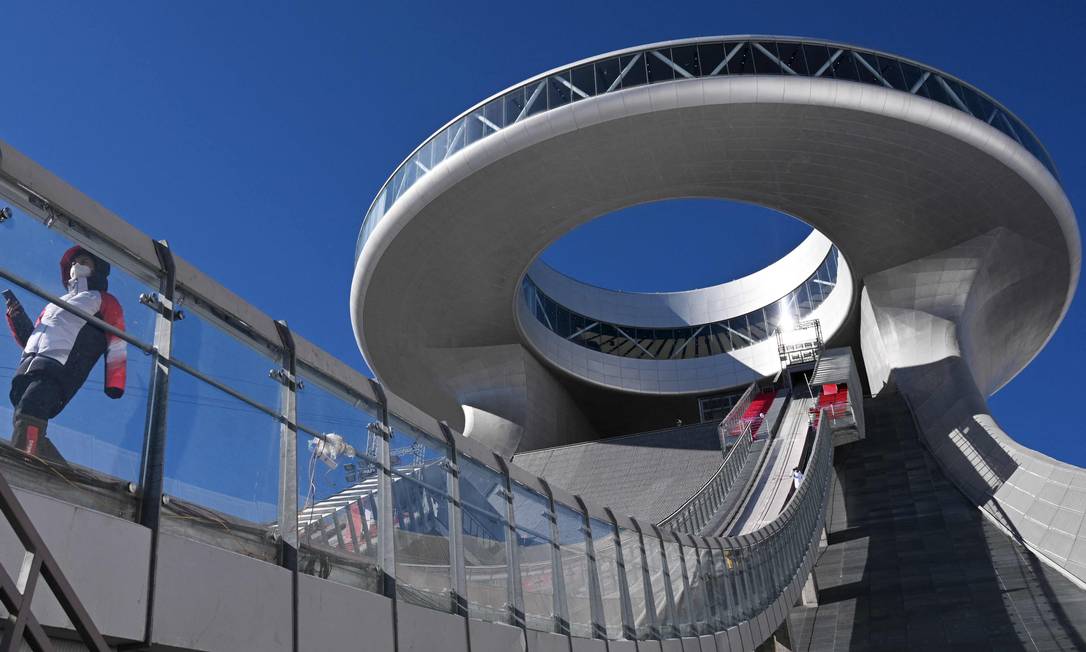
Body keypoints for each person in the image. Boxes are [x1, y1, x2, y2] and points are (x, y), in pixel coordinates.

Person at [4, 246, 127, 461]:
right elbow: (33, 339)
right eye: (73, 263)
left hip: (62, 368)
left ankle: (24, 465)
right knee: (26, 416)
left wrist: (115, 383)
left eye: (84, 262)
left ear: (96, 269)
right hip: (32, 365)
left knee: (30, 409)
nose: (75, 266)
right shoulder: (54, 304)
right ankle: (50, 464)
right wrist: (17, 317)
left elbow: (116, 341)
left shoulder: (103, 299)